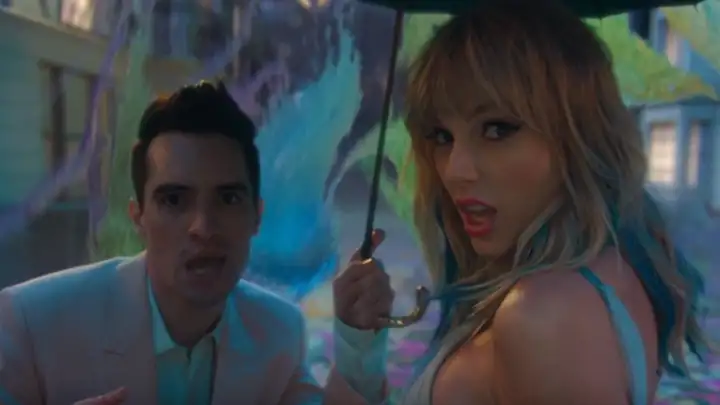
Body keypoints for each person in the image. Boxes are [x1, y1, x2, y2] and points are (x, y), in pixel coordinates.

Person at [332, 1, 709, 404]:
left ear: (578, 135)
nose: (455, 170)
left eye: (497, 129)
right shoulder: (607, 264)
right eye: (442, 136)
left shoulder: (544, 317)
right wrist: (360, 354)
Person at [0, 82, 382, 405]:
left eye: (228, 198)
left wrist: (357, 341)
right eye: (174, 200)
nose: (203, 227)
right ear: (138, 217)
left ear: (257, 216)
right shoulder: (33, 322)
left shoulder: (278, 332)